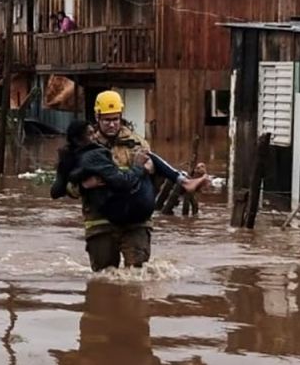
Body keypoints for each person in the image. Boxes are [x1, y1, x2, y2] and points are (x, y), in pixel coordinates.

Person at [54, 90, 205, 271]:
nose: (112, 124)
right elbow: (65, 186)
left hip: (136, 219)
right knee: (104, 274)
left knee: (137, 274)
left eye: (115, 119)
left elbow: (152, 184)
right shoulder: (84, 145)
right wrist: (83, 186)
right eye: (107, 120)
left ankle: (185, 181)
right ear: (97, 117)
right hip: (100, 220)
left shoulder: (138, 143)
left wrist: (152, 173)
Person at [51, 119, 205, 227]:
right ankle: (184, 181)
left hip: (120, 208)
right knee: (147, 159)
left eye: (115, 119)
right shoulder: (94, 154)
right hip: (110, 211)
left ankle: (184, 180)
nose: (94, 136)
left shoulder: (68, 156)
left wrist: (80, 184)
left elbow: (56, 190)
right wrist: (140, 167)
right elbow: (122, 181)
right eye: (90, 134)